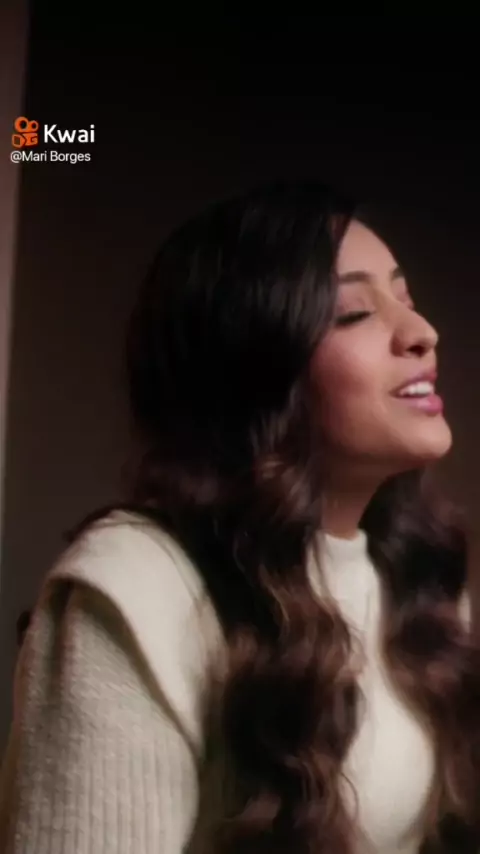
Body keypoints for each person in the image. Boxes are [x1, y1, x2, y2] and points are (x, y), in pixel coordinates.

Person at [0, 181, 478, 854]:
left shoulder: (414, 576)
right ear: (256, 366)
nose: (423, 333)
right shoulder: (135, 588)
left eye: (406, 298)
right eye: (353, 314)